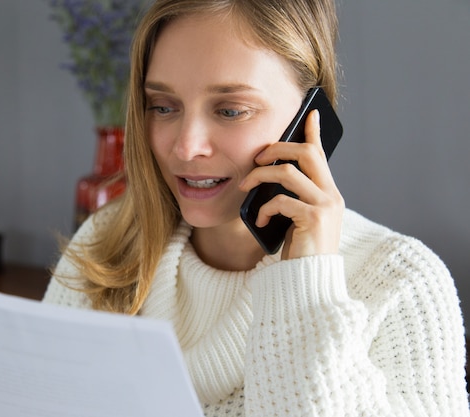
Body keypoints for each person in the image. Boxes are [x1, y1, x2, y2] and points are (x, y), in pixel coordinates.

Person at [43, 0, 470, 415]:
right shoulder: (108, 241)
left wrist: (304, 284)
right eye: (163, 107)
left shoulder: (399, 283)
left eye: (231, 110)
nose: (187, 147)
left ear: (308, 117)